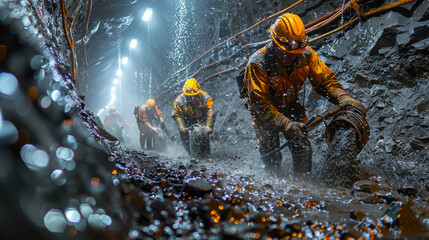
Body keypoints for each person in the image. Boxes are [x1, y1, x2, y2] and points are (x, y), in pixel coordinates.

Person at [243, 13, 366, 177]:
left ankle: (302, 183)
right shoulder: (258, 63)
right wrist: (287, 124)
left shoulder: (305, 54)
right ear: (274, 43)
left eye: (295, 52)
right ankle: (273, 182)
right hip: (264, 112)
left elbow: (325, 81)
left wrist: (343, 98)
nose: (292, 56)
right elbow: (261, 104)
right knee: (270, 151)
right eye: (286, 52)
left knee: (302, 144)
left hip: (290, 104)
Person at [173, 78, 216, 154]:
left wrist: (209, 126)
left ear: (198, 93)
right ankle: (191, 154)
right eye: (189, 97)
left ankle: (206, 154)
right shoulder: (179, 101)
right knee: (185, 137)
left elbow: (211, 111)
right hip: (187, 120)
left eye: (194, 96)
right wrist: (181, 126)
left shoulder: (205, 98)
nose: (192, 99)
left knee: (203, 136)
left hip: (201, 120)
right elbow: (177, 115)